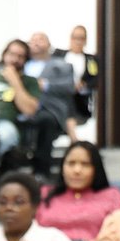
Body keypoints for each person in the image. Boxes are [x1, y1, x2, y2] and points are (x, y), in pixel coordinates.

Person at [36, 141, 120, 241]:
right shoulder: (44, 194)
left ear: (96, 169)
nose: (77, 170)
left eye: (85, 164)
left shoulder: (112, 196)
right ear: (62, 167)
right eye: (71, 163)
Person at [23, 32, 76, 175]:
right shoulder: (21, 64)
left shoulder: (62, 65)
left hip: (50, 109)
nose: (36, 42)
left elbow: (69, 87)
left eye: (40, 39)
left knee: (45, 121)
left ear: (49, 45)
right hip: (22, 108)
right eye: (32, 40)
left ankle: (41, 171)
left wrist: (46, 85)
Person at [55, 25, 99, 136]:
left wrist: (83, 84)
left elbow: (96, 78)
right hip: (60, 94)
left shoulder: (91, 59)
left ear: (85, 41)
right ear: (70, 39)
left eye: (81, 38)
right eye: (75, 38)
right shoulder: (58, 55)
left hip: (79, 97)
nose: (78, 42)